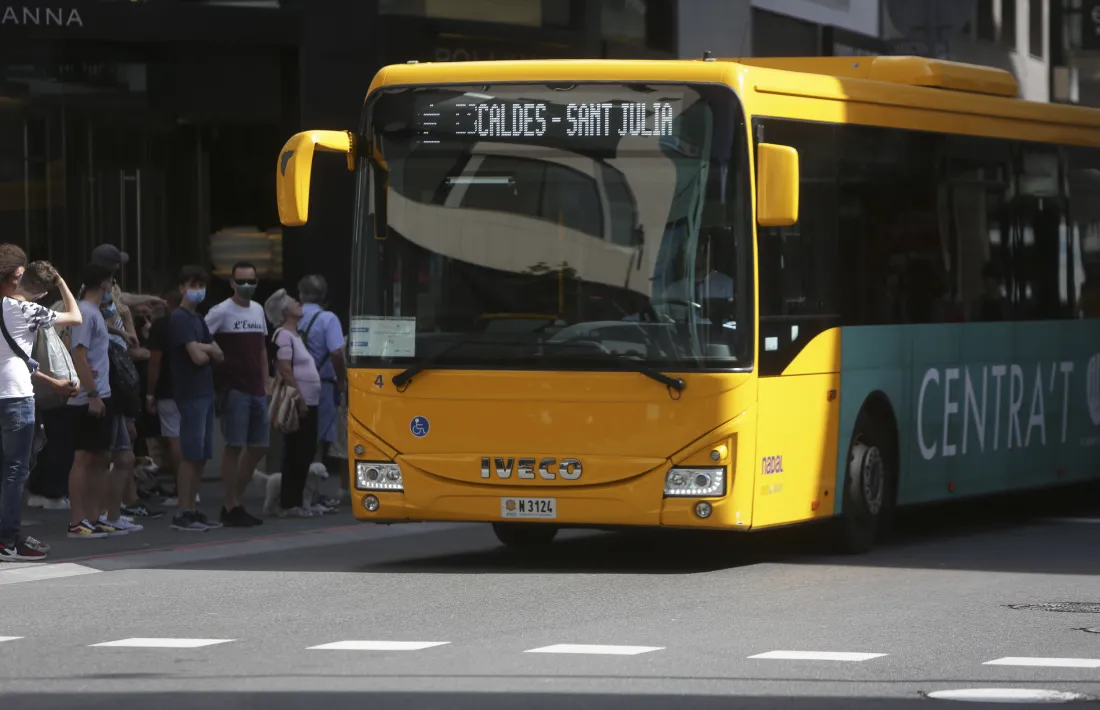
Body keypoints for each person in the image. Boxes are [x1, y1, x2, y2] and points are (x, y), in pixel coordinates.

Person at [0, 251, 82, 560]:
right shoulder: (29, 310)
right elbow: (76, 317)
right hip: (16, 399)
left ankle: (7, 536)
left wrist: (52, 383)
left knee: (5, 472)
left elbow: (17, 360)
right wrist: (62, 282)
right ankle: (7, 541)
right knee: (14, 473)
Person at [66, 263, 137, 539]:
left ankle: (93, 518)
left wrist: (120, 332)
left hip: (101, 394)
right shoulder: (85, 312)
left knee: (100, 457)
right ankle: (77, 521)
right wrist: (93, 394)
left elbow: (100, 330)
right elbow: (79, 355)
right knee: (83, 457)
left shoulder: (93, 313)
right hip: (87, 397)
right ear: (105, 284)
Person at [206, 262, 267, 527]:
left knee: (259, 446)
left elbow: (263, 349)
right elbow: (200, 336)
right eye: (241, 281)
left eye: (251, 281)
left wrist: (266, 383)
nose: (246, 286)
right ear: (231, 282)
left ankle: (235, 500)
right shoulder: (220, 311)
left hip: (257, 388)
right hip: (234, 389)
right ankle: (231, 504)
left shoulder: (258, 310)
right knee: (234, 445)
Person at [168, 265, 224, 532]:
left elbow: (219, 353)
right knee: (190, 455)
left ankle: (193, 507)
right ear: (181, 288)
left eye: (202, 286)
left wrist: (206, 348)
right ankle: (183, 511)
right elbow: (200, 356)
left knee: (201, 455)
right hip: (190, 394)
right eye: (193, 285)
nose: (198, 291)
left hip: (206, 392)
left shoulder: (198, 318)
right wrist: (207, 348)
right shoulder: (179, 318)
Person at [264, 289, 321, 517]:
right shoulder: (283, 335)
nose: (299, 303)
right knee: (297, 451)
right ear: (285, 311)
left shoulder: (296, 334)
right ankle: (289, 502)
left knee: (306, 450)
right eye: (294, 302)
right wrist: (298, 397)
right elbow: (285, 368)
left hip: (311, 399)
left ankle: (297, 499)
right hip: (301, 400)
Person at [297, 275, 347, 502]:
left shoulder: (292, 316)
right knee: (316, 439)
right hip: (321, 385)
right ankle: (310, 492)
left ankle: (294, 487)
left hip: (294, 384)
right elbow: (337, 352)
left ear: (300, 294)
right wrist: (341, 380)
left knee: (296, 436)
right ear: (324, 296)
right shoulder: (328, 319)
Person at [146, 290, 182, 505]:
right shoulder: (195, 321)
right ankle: (190, 488)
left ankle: (181, 490)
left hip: (168, 389)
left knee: (174, 439)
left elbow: (154, 362)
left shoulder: (162, 326)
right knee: (188, 440)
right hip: (191, 389)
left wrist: (150, 392)